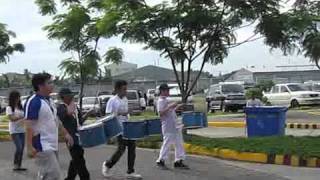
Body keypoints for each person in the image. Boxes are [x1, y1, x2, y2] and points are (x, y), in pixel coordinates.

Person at [24, 73, 71, 180]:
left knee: (46, 175)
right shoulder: (34, 101)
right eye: (49, 83)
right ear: (40, 86)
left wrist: (66, 133)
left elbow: (56, 119)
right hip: (42, 145)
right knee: (54, 175)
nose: (52, 85)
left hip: (52, 144)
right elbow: (28, 125)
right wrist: (29, 146)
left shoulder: (49, 100)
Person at [102, 80, 142, 179]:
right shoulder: (112, 100)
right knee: (121, 149)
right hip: (118, 128)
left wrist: (129, 116)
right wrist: (121, 113)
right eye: (124, 89)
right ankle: (107, 164)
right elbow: (108, 115)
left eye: (126, 89)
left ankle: (130, 172)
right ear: (117, 89)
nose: (126, 91)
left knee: (132, 148)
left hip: (128, 126)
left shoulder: (125, 99)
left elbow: (126, 113)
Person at [57, 88, 90, 180]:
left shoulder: (75, 107)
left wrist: (87, 114)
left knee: (76, 159)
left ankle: (69, 178)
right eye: (70, 95)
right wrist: (74, 103)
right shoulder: (61, 107)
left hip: (79, 137)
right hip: (71, 138)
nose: (72, 97)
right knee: (80, 161)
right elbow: (68, 113)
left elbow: (80, 121)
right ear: (64, 97)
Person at [156, 84, 189, 170]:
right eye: (167, 90)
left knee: (179, 143)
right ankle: (161, 160)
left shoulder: (166, 100)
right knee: (167, 143)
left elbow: (170, 111)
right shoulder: (160, 101)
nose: (168, 92)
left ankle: (178, 160)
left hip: (175, 125)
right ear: (162, 91)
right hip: (168, 126)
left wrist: (177, 107)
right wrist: (171, 106)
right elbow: (161, 113)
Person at [6, 90, 27, 171]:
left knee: (21, 149)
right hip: (14, 131)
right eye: (17, 97)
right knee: (19, 147)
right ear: (13, 98)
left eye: (19, 97)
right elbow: (12, 118)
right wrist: (22, 117)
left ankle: (19, 165)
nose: (18, 99)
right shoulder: (9, 108)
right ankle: (15, 165)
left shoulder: (21, 106)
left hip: (22, 130)